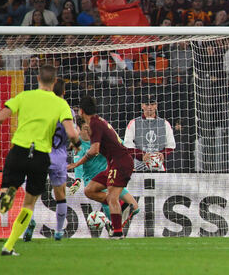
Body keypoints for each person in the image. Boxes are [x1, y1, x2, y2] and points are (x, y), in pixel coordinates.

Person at [0, 65, 79, 256]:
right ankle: (9, 246)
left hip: (19, 150)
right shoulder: (60, 104)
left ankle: (5, 195)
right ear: (55, 81)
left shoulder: (24, 97)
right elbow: (71, 132)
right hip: (41, 155)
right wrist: (77, 144)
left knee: (9, 185)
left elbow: (0, 118)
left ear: (37, 79)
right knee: (29, 204)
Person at [67, 96, 134, 239]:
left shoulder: (95, 124)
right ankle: (124, 207)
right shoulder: (98, 122)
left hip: (119, 162)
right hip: (113, 163)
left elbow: (94, 150)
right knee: (89, 190)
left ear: (81, 111)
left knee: (112, 198)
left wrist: (77, 164)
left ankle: (117, 232)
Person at [23, 79, 76, 242]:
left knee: (31, 195)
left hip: (41, 154)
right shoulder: (69, 111)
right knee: (60, 194)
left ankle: (28, 223)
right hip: (60, 156)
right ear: (64, 92)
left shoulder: (42, 109)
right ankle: (59, 231)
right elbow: (72, 133)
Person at [123, 95, 176, 172]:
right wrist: (142, 155)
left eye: (152, 104)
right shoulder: (134, 123)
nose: (150, 107)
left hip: (158, 166)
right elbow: (127, 144)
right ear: (142, 106)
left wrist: (162, 154)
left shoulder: (165, 123)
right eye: (147, 104)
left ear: (156, 106)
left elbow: (171, 145)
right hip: (139, 165)